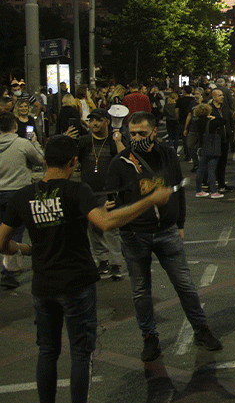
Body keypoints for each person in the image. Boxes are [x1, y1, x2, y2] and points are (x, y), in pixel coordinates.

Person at [0, 134, 174, 403]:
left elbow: (2, 242)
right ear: (73, 162)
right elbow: (105, 223)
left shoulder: (23, 197)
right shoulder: (75, 191)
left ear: (44, 160)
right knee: (81, 353)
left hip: (43, 286)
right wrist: (149, 201)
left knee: (47, 351)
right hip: (76, 283)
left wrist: (26, 250)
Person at [103, 111, 223, 361]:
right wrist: (112, 212)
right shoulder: (120, 162)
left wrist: (180, 223)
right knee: (140, 290)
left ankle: (201, 330)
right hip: (135, 236)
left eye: (142, 134)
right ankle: (150, 337)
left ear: (154, 132)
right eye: (132, 133)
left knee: (185, 285)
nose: (136, 138)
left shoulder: (167, 154)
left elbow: (178, 189)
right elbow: (111, 200)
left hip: (167, 232)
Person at [76, 108, 126, 280]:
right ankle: (102, 260)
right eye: (92, 120)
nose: (94, 123)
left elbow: (124, 159)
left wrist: (118, 140)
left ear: (107, 121)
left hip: (109, 192)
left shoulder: (113, 141)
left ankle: (116, 263)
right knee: (93, 229)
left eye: (98, 120)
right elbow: (75, 160)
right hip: (88, 191)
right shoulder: (83, 141)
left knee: (110, 228)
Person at [0, 110, 45, 289]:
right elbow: (41, 160)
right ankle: (9, 272)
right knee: (15, 232)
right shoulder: (22, 143)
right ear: (15, 126)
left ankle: (7, 267)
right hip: (17, 192)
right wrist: (35, 144)